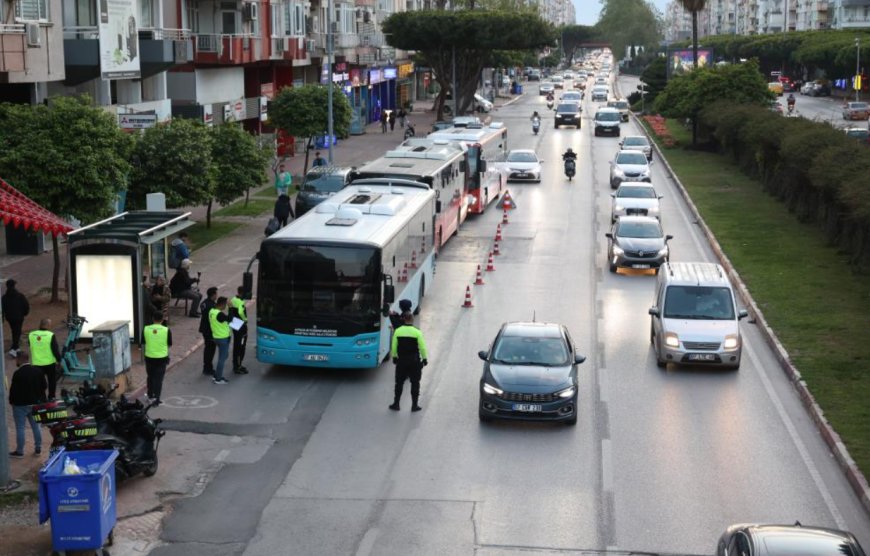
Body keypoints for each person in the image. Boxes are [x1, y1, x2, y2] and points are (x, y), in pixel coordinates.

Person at [8, 351, 47, 458]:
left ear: (20, 359)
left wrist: (11, 401)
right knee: (36, 427)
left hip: (20, 405)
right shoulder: (38, 371)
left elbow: (13, 390)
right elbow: (44, 386)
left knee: (20, 428)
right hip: (35, 404)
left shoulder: (18, 373)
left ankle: (20, 451)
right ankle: (38, 449)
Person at [389, 311, 428, 412]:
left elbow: (394, 346)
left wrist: (394, 357)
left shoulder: (398, 331)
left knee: (399, 383)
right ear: (412, 319)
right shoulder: (417, 332)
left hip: (402, 361)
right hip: (414, 362)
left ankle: (396, 404)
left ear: (403, 319)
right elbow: (422, 347)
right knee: (415, 383)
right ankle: (414, 405)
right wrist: (424, 359)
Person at [143, 310, 172, 405]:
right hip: (161, 358)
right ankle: (156, 399)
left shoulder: (146, 329)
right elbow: (169, 344)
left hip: (149, 357)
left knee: (150, 377)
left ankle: (150, 396)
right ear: (162, 319)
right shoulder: (166, 330)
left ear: (152, 319)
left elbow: (143, 342)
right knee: (159, 379)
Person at [28, 318, 61, 400]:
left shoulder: (31, 335)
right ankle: (51, 397)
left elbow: (30, 345)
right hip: (49, 363)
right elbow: (55, 349)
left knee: (39, 382)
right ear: (48, 325)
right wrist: (59, 359)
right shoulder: (50, 335)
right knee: (52, 381)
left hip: (37, 363)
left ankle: (42, 398)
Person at [2, 279, 29, 358]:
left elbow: (2, 309)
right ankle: (14, 348)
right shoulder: (20, 296)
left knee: (14, 331)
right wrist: (24, 313)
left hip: (10, 318)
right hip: (19, 317)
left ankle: (16, 348)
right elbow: (26, 306)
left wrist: (4, 317)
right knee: (17, 332)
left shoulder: (4, 297)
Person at [209, 297, 232, 385]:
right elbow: (230, 318)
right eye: (225, 305)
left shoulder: (212, 311)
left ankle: (216, 374)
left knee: (225, 355)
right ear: (222, 304)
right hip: (223, 338)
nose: (226, 307)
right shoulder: (220, 314)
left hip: (216, 336)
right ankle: (218, 379)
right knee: (222, 359)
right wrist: (230, 308)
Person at [229, 286, 250, 375]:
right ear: (242, 293)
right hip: (241, 326)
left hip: (234, 324)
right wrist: (245, 319)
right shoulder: (241, 302)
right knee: (241, 346)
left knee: (236, 345)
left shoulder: (233, 299)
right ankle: (238, 366)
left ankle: (236, 364)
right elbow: (241, 312)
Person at [199, 287, 218, 376]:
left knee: (208, 348)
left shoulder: (204, 303)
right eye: (216, 294)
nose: (217, 295)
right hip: (210, 330)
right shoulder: (212, 306)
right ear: (213, 295)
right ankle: (208, 368)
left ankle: (207, 367)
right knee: (210, 349)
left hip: (204, 328)